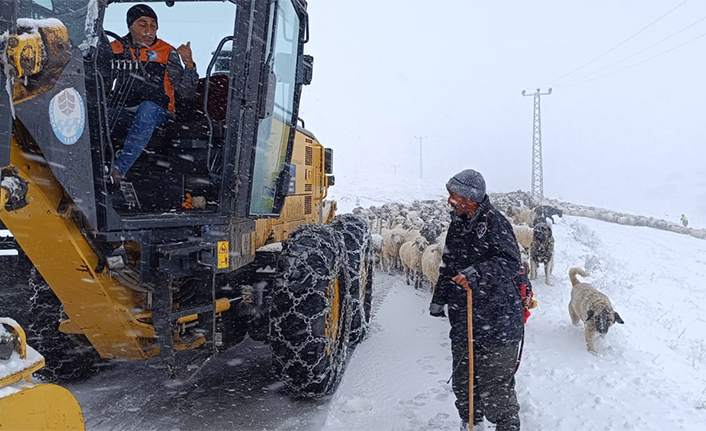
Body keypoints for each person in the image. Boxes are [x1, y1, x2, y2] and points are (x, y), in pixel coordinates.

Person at [429, 169, 523, 431]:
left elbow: (511, 262)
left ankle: (506, 426)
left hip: (497, 320)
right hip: (465, 318)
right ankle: (471, 423)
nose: (449, 201)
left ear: (470, 199)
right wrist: (440, 298)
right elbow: (448, 263)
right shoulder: (457, 224)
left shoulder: (495, 223)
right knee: (464, 379)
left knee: (495, 385)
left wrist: (476, 273)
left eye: (453, 195)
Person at [108, 4, 198, 186]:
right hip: (122, 111)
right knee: (95, 113)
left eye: (153, 26)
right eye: (143, 24)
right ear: (130, 26)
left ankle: (118, 170)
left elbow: (186, 92)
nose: (149, 31)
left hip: (159, 113)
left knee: (147, 109)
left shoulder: (167, 52)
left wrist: (189, 65)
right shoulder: (113, 49)